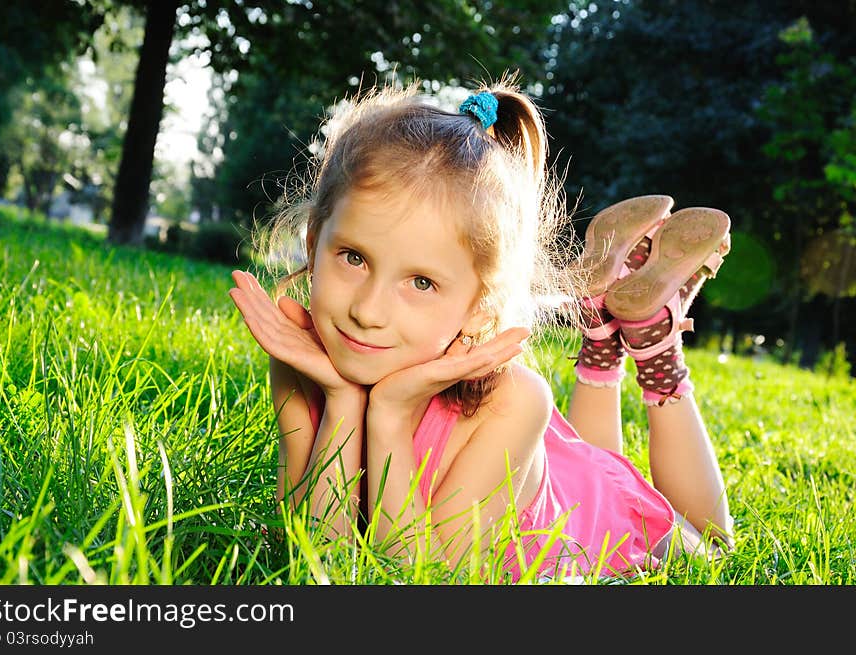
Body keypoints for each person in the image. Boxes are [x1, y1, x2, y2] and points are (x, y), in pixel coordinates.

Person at [228, 76, 734, 583]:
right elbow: (314, 560)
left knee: (712, 551)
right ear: (314, 242)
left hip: (593, 521)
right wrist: (341, 400)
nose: (368, 310)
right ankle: (600, 330)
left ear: (478, 307)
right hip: (558, 475)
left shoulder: (514, 400)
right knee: (594, 458)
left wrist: (388, 413)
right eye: (354, 258)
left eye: (421, 282)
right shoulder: (305, 360)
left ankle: (654, 345)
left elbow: (417, 577)